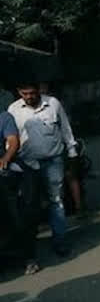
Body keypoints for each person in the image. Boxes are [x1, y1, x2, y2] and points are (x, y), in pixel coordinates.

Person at [8, 81, 78, 255]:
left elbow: (65, 129)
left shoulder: (53, 104)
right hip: (27, 165)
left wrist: (72, 152)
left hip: (53, 160)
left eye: (32, 93)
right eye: (25, 94)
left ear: (38, 91)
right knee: (29, 205)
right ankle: (30, 249)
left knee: (56, 201)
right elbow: (10, 138)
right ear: (19, 92)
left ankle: (60, 241)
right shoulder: (13, 110)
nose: (29, 97)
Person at [0, 109, 40, 274]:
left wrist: (5, 159)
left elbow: (13, 141)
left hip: (4, 173)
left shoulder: (4, 118)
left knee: (17, 215)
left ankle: (29, 258)